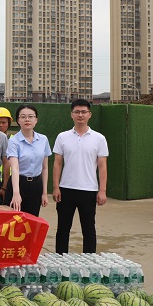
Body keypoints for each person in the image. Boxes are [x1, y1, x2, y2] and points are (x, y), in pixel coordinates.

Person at [53, 99, 109, 254]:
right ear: (71, 114)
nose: (80, 115)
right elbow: (57, 163)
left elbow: (102, 166)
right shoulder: (62, 137)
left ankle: (89, 260)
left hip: (89, 190)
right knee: (63, 229)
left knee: (89, 229)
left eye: (84, 112)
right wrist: (56, 187)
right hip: (66, 189)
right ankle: (60, 259)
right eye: (77, 112)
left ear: (89, 114)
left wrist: (102, 191)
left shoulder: (99, 138)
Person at [7, 105, 51, 217]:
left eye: (31, 116)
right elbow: (15, 168)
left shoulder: (43, 139)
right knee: (14, 220)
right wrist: (16, 193)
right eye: (23, 117)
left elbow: (45, 168)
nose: (27, 119)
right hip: (18, 183)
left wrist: (44, 193)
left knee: (32, 220)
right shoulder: (13, 141)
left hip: (36, 185)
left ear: (36, 120)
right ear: (18, 120)